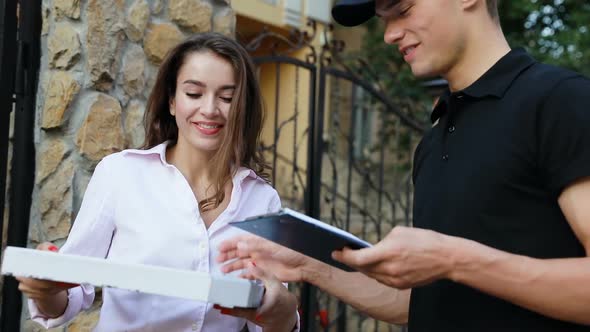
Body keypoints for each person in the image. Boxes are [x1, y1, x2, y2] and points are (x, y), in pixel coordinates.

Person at [217, 0, 590, 331]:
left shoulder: (560, 102)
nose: (390, 35)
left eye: (404, 10)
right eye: (384, 19)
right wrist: (306, 264)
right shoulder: (434, 139)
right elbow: (419, 302)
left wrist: (454, 259)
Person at [17, 33, 299, 332]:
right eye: (194, 93)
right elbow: (71, 292)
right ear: (172, 102)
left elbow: (269, 317)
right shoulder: (120, 175)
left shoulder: (262, 200)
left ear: (243, 108)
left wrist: (284, 314)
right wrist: (46, 290)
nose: (210, 109)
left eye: (227, 98)